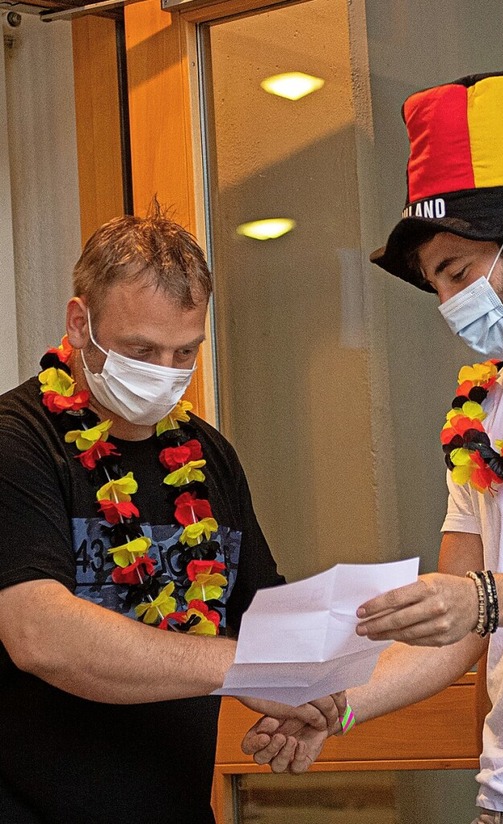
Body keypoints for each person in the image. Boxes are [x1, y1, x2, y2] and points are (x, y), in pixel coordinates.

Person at [242, 70, 503, 824]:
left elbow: (478, 602)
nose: (453, 304)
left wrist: (486, 598)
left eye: (459, 272)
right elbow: (452, 630)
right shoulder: (483, 408)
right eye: (437, 287)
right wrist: (338, 709)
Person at [0, 209, 343, 824]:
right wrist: (247, 670)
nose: (163, 372)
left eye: (184, 351)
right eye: (141, 349)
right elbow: (38, 634)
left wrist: (309, 696)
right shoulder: (16, 442)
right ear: (80, 323)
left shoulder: (210, 457)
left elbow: (266, 621)